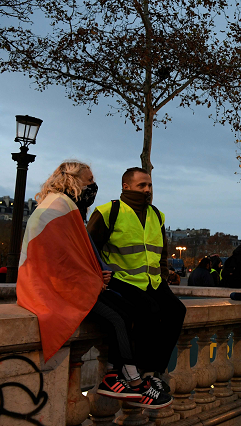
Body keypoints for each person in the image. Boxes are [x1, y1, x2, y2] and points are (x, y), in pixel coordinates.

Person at [19, 161, 172, 408]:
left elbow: (69, 255)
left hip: (69, 285)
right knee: (117, 317)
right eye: (89, 181)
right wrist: (92, 276)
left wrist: (94, 273)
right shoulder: (60, 208)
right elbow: (56, 259)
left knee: (126, 311)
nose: (93, 186)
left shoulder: (65, 206)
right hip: (55, 290)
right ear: (73, 181)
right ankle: (134, 382)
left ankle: (115, 375)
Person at [87, 166, 186, 394]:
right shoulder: (107, 212)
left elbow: (161, 252)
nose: (147, 189)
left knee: (176, 312)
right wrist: (98, 277)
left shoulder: (157, 215)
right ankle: (138, 372)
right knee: (149, 311)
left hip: (152, 281)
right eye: (142, 185)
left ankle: (154, 371)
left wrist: (162, 276)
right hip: (120, 279)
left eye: (150, 185)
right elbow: (88, 249)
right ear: (126, 186)